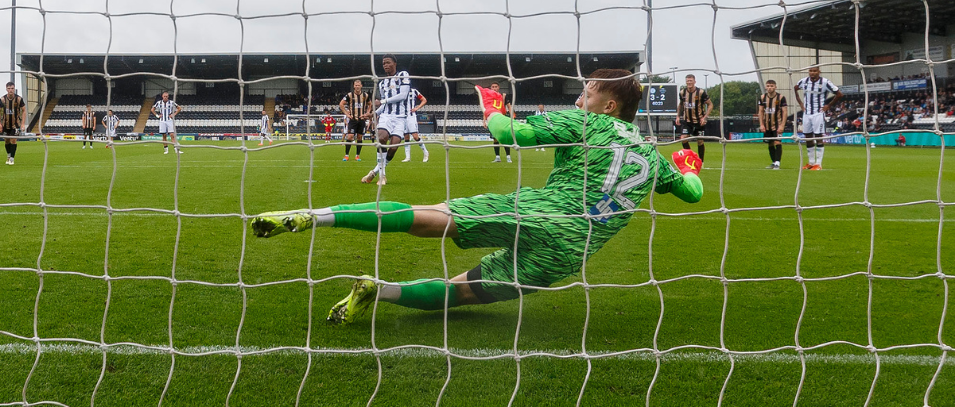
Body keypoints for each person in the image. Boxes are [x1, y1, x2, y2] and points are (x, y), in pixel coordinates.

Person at [250, 70, 704, 323]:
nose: (581, 94)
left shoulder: (585, 123)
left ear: (609, 106)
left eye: (589, 90)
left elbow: (508, 132)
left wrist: (492, 105)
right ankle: (379, 291)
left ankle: (314, 216)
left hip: (542, 212)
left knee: (430, 217)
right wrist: (689, 164)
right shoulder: (651, 152)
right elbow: (693, 194)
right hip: (570, 251)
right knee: (461, 294)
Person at [361, 55, 410, 186]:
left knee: (393, 147)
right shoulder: (382, 83)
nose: (385, 65)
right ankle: (382, 176)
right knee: (382, 137)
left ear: (395, 63)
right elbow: (384, 106)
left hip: (400, 117)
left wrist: (382, 101)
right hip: (386, 116)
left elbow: (403, 95)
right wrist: (373, 114)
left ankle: (374, 172)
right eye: (383, 63)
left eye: (388, 62)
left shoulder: (403, 75)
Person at [794, 66, 842, 171]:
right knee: (807, 137)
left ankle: (818, 164)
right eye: (810, 71)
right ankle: (811, 163)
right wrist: (801, 103)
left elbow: (839, 94)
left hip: (818, 113)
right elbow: (795, 88)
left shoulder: (825, 82)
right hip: (806, 114)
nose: (812, 73)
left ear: (819, 72)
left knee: (818, 136)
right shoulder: (804, 81)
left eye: (814, 71)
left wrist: (828, 106)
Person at [675, 74, 712, 162]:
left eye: (691, 81)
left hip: (699, 121)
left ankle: (701, 161)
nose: (689, 82)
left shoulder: (701, 92)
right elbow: (681, 104)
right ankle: (691, 158)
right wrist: (678, 116)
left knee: (700, 141)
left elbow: (710, 104)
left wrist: (705, 117)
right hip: (687, 121)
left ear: (694, 82)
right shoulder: (682, 92)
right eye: (687, 81)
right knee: (683, 138)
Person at [757, 80, 787, 170]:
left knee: (777, 142)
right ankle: (774, 162)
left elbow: (784, 112)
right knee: (770, 144)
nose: (770, 88)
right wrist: (761, 124)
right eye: (768, 86)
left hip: (777, 124)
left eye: (772, 86)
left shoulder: (781, 97)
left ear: (775, 87)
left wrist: (782, 125)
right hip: (767, 125)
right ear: (766, 87)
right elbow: (761, 111)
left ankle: (777, 163)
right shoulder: (762, 97)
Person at [0, 81, 26, 165]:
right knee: (6, 141)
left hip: (15, 124)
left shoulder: (19, 99)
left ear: (14, 89)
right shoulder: (2, 99)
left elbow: (24, 110)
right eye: (9, 88)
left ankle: (12, 159)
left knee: (13, 140)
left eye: (12, 88)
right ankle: (9, 155)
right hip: (5, 124)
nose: (10, 90)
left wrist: (23, 123)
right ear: (6, 89)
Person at [340, 80, 369, 161]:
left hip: (361, 120)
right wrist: (347, 114)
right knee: (350, 136)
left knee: (359, 137)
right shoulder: (349, 95)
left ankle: (357, 155)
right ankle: (346, 155)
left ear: (361, 86)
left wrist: (367, 113)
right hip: (353, 120)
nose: (357, 86)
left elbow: (370, 104)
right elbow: (341, 104)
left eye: (358, 85)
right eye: (355, 85)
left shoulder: (365, 95)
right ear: (353, 86)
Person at [403, 87, 429, 163]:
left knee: (415, 136)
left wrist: (417, 108)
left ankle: (426, 152)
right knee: (406, 136)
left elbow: (424, 100)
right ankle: (407, 157)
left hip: (411, 116)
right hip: (403, 116)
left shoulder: (414, 91)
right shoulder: (399, 91)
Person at [488, 82, 512, 163]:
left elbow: (509, 106)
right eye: (493, 87)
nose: (494, 88)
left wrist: (512, 116)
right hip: (493, 119)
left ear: (499, 88)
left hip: (502, 118)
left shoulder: (503, 96)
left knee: (504, 138)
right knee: (495, 139)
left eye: (496, 86)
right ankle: (497, 157)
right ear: (491, 88)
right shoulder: (489, 97)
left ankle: (508, 157)